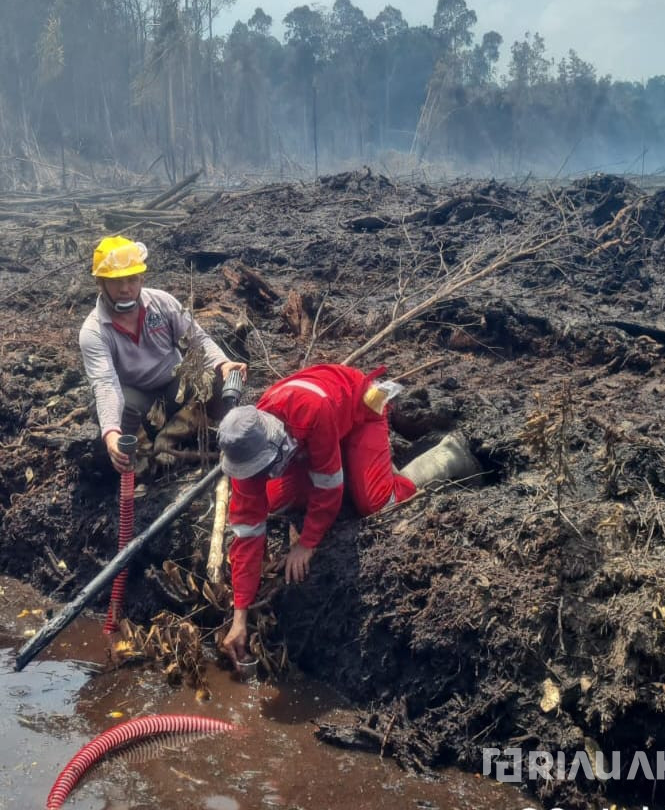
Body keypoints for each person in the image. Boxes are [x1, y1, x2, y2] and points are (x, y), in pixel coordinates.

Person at [216, 363, 416, 662]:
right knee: (277, 501)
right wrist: (239, 616)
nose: (258, 475)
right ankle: (356, 465)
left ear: (275, 440)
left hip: (360, 410)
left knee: (373, 503)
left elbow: (329, 487)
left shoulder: (311, 409)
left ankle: (421, 469)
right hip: (312, 441)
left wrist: (307, 543)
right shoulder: (244, 452)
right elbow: (247, 531)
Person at [78, 236, 247, 472]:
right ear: (101, 283)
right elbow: (105, 384)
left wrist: (223, 364)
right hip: (138, 400)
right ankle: (142, 457)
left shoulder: (163, 303)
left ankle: (201, 431)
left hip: (175, 386)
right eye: (116, 282)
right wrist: (111, 434)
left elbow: (197, 340)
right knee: (120, 410)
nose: (125, 289)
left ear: (141, 279)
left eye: (132, 280)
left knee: (220, 377)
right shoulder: (94, 331)